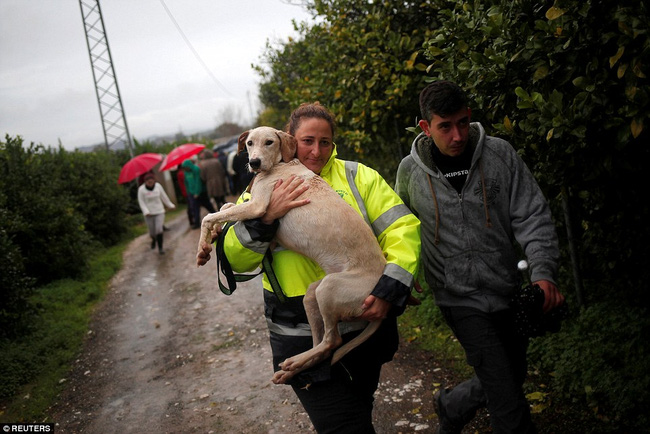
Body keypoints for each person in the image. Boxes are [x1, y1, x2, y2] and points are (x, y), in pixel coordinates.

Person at [203, 102, 421, 433]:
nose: (316, 151)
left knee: (361, 412)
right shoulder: (260, 188)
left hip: (367, 326)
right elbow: (234, 260)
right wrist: (266, 218)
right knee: (345, 426)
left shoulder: (357, 175)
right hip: (298, 336)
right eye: (307, 141)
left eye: (325, 142)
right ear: (291, 142)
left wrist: (392, 285)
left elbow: (402, 229)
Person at [395, 80, 564, 434]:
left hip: (507, 288)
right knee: (509, 403)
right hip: (457, 298)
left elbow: (531, 215)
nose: (457, 135)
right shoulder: (410, 172)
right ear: (426, 127)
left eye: (462, 122)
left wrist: (543, 272)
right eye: (445, 126)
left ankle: (453, 405)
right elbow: (400, 232)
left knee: (511, 374)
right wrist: (402, 277)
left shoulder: (500, 155)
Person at [137, 172, 175, 254]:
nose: (150, 182)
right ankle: (153, 239)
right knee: (152, 232)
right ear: (145, 182)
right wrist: (146, 211)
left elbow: (164, 196)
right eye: (148, 181)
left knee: (159, 229)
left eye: (151, 180)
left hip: (159, 211)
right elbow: (141, 202)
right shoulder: (141, 190)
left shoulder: (158, 186)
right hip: (149, 214)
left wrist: (170, 205)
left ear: (154, 180)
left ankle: (160, 248)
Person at [181, 158, 216, 229]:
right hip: (192, 193)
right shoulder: (186, 172)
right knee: (195, 208)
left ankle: (215, 216)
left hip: (201, 192)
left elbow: (198, 181)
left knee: (208, 205)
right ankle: (197, 222)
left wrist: (197, 192)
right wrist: (189, 192)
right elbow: (186, 183)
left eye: (186, 167)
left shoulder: (196, 169)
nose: (185, 169)